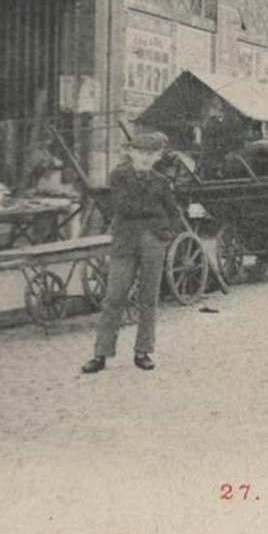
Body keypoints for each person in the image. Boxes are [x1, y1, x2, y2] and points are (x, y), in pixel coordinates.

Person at [82, 131, 183, 374]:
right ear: (131, 153)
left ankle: (143, 351)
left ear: (158, 156)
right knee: (114, 297)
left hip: (153, 244)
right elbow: (122, 207)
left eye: (151, 154)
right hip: (125, 243)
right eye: (141, 153)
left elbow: (174, 213)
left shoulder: (162, 182)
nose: (146, 158)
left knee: (148, 299)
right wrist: (152, 212)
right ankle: (101, 354)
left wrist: (164, 237)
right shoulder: (119, 176)